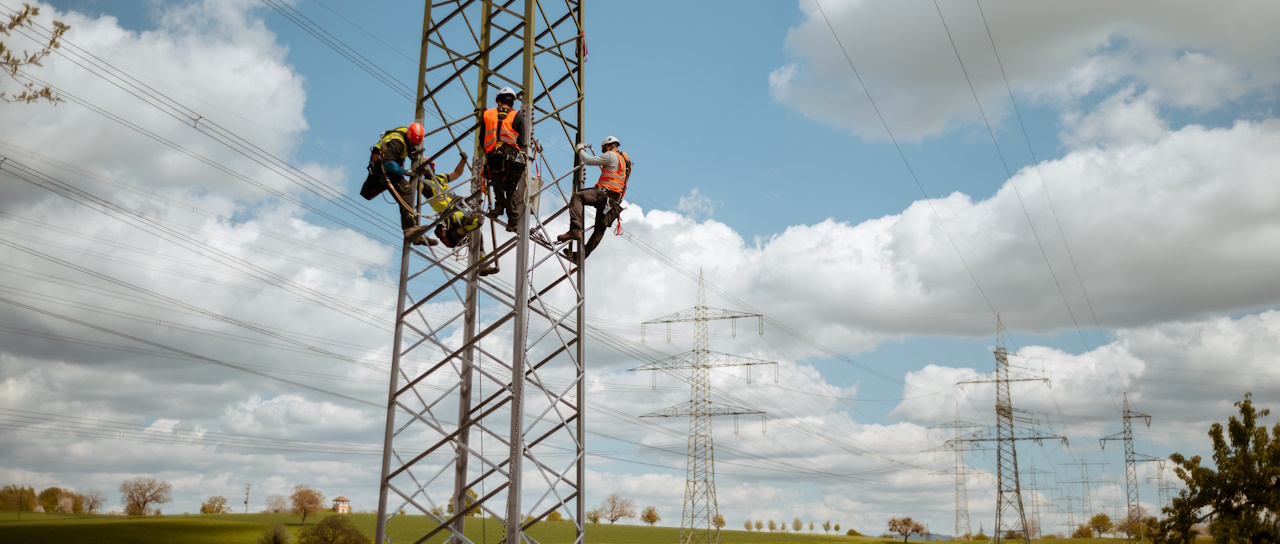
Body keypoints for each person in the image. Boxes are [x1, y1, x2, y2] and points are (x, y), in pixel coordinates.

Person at [557, 135, 631, 260]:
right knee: (599, 230)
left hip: (603, 194)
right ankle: (581, 256)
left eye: (604, 149)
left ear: (608, 146)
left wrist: (581, 149)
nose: (604, 152)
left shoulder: (611, 155)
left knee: (578, 197)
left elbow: (588, 160)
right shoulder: (625, 162)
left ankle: (575, 229)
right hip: (614, 202)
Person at [363, 122, 434, 244]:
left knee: (405, 198)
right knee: (407, 192)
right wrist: (404, 171)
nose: (413, 145)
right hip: (383, 168)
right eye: (412, 143)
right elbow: (388, 162)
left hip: (386, 166)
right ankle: (410, 229)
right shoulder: (398, 142)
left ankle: (413, 231)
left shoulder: (406, 134)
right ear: (408, 136)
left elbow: (409, 149)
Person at [480, 87, 528, 232]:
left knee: (496, 179)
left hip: (493, 156)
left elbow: (482, 138)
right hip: (510, 156)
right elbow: (521, 141)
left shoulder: (487, 114)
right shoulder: (518, 116)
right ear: (512, 102)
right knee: (510, 186)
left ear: (498, 100)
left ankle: (499, 206)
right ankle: (513, 220)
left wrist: (489, 151)